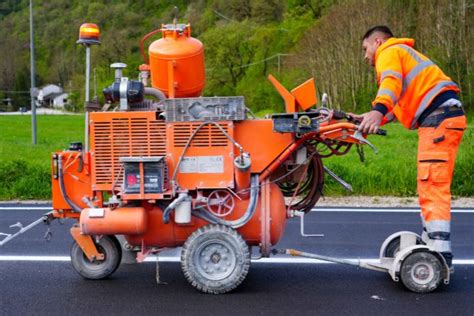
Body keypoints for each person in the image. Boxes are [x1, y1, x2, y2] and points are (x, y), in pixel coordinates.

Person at [357, 25, 466, 269]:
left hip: (439, 118)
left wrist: (377, 109)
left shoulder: (389, 52)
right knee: (429, 182)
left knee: (433, 183)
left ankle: (439, 253)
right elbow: (397, 106)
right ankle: (432, 241)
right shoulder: (403, 54)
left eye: (365, 49)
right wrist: (371, 116)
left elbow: (390, 83)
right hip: (441, 117)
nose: (365, 56)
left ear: (377, 41)